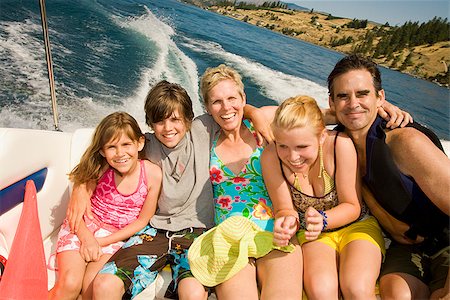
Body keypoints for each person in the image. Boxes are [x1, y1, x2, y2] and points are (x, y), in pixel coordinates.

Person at [67, 81, 272, 300]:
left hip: (197, 234)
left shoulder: (203, 129)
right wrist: (81, 187)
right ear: (151, 124)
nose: (168, 128)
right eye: (159, 121)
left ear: (188, 118)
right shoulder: (145, 145)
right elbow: (105, 159)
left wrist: (255, 114)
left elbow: (231, 110)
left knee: (192, 292)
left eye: (175, 119)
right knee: (104, 284)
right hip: (153, 231)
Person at [327, 54, 450, 299]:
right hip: (408, 249)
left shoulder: (406, 142)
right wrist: (333, 115)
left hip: (446, 243)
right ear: (331, 102)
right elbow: (282, 118)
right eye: (343, 96)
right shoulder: (339, 142)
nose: (353, 103)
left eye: (363, 94)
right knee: (396, 294)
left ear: (380, 97)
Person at [188, 64, 303, 300]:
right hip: (227, 238)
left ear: (243, 98)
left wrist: (379, 106)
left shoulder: (265, 122)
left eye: (232, 98)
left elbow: (316, 114)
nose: (226, 107)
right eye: (216, 101)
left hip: (274, 230)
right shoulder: (204, 135)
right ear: (208, 108)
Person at [261, 95, 385, 299]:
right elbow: (284, 208)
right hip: (313, 235)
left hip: (357, 226)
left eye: (302, 147)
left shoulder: (339, 146)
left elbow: (352, 206)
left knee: (357, 287)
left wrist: (324, 219)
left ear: (321, 137)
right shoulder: (270, 157)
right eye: (283, 146)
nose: (292, 157)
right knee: (321, 290)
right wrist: (286, 223)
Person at [49, 112, 162, 300]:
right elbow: (76, 211)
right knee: (70, 283)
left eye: (126, 144)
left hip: (115, 239)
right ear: (102, 151)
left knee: (91, 288)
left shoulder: (152, 174)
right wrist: (87, 239)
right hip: (81, 230)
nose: (120, 153)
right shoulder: (101, 168)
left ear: (139, 143)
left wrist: (99, 243)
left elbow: (142, 220)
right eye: (111, 147)